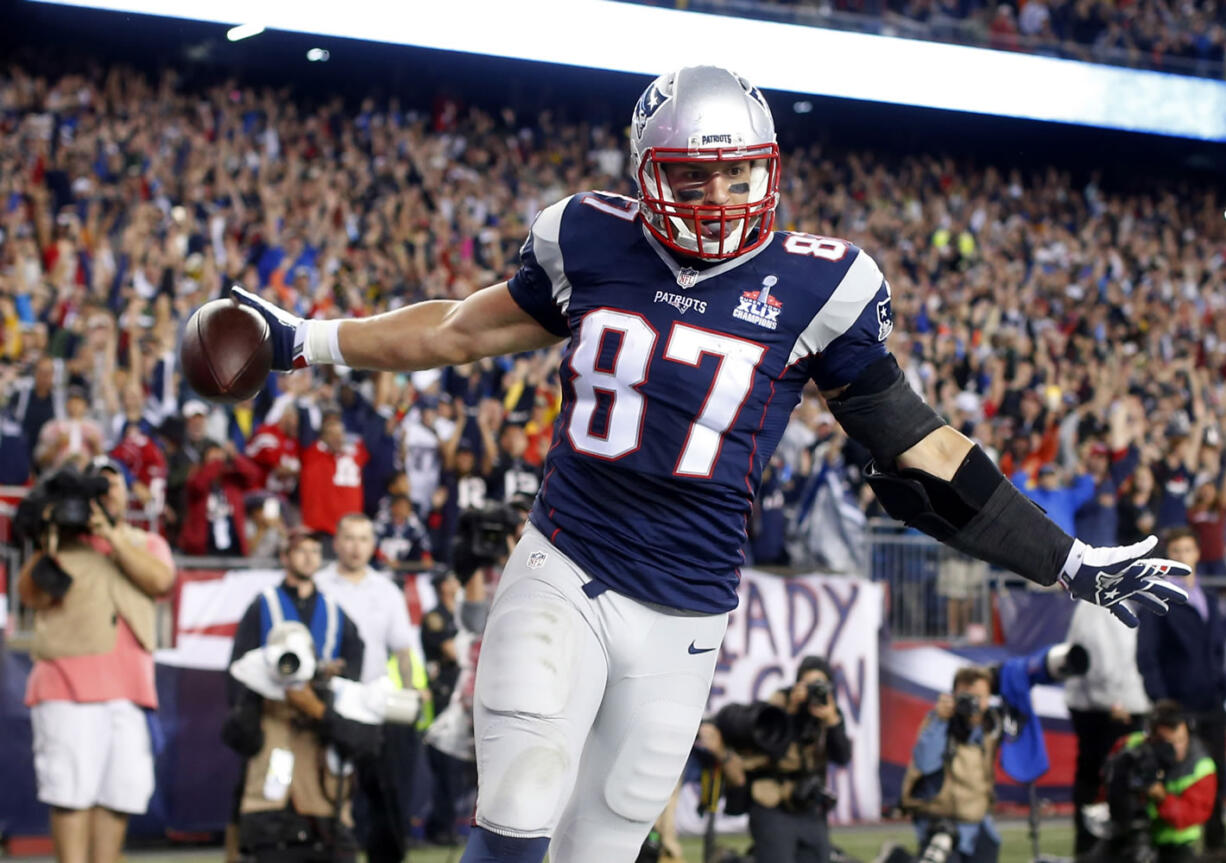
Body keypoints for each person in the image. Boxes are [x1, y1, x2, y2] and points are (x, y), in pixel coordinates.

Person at [233, 65, 1188, 863]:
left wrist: (1068, 562)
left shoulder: (824, 284)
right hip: (569, 560)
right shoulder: (588, 236)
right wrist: (302, 339)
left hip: (691, 605)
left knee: (602, 840)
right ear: (648, 173)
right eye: (695, 179)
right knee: (520, 799)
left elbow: (923, 444)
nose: (722, 201)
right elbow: (451, 330)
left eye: (741, 177)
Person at [17, 458, 176, 863]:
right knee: (70, 794)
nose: (105, 493)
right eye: (96, 488)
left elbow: (161, 582)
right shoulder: (64, 544)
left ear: (126, 493)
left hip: (130, 689)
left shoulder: (146, 543)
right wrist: (49, 541)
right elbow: (32, 596)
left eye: (113, 484)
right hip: (67, 685)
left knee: (119, 794)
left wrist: (111, 536)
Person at [223, 528, 368, 863]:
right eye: (301, 551)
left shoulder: (334, 609)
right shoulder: (264, 604)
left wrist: (332, 699)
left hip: (319, 724)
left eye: (315, 552)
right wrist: (249, 725)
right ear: (285, 557)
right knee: (259, 803)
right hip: (271, 721)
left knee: (326, 805)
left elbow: (354, 659)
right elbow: (239, 668)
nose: (309, 558)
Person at [314, 513, 429, 863]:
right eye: (349, 538)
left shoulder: (386, 590)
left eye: (364, 539)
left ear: (373, 545)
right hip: (327, 698)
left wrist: (410, 692)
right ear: (336, 542)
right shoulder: (318, 585)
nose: (355, 547)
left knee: (386, 791)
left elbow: (403, 650)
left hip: (376, 700)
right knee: (328, 789)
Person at [704, 656, 851, 863]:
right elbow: (773, 751)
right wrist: (790, 713)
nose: (812, 693)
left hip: (808, 807)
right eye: (808, 685)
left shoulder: (829, 713)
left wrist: (832, 720)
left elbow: (842, 757)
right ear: (797, 684)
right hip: (773, 805)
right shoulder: (776, 709)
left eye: (819, 686)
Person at [1136, 527, 1226, 852]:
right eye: (1176, 552)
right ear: (1166, 558)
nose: (1184, 557)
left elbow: (1217, 650)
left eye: (1188, 550)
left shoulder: (1209, 600)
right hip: (1178, 708)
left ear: (1198, 554)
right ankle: (1173, 850)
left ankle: (1216, 848)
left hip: (1211, 702)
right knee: (1174, 780)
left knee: (1213, 778)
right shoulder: (1157, 600)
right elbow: (1147, 655)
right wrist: (1161, 701)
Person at [1064, 600, 1152, 855]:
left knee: (1101, 778)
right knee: (1104, 780)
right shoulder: (1099, 601)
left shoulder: (1105, 599)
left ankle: (1100, 845)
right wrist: (1114, 702)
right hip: (1109, 711)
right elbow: (1096, 660)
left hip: (1109, 706)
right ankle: (1096, 846)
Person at [901, 667, 1001, 863]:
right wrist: (940, 720)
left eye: (979, 697)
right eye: (967, 697)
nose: (973, 703)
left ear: (989, 698)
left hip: (979, 826)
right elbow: (924, 762)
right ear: (954, 697)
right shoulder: (939, 722)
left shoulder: (991, 726)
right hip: (942, 824)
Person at [1099, 700, 1217, 863]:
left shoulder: (1201, 766)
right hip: (1125, 835)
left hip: (1174, 843)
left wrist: (1161, 796)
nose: (1176, 749)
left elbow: (1191, 815)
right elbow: (1104, 783)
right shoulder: (1132, 746)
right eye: (1168, 742)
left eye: (1181, 740)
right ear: (1152, 737)